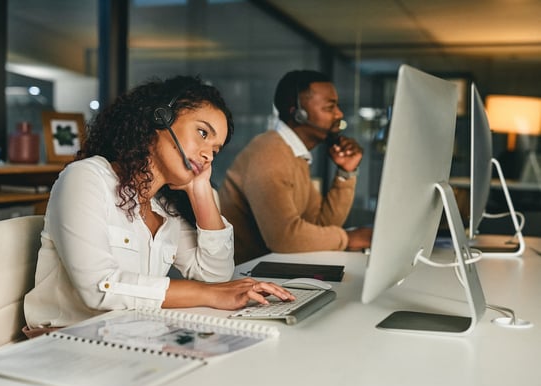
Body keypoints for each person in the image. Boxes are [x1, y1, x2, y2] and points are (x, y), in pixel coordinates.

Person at [24, 76, 294, 334]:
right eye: (202, 133)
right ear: (160, 118)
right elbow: (99, 287)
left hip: (130, 336)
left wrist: (201, 192)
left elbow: (216, 277)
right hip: (67, 342)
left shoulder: (165, 205)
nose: (207, 154)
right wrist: (205, 294)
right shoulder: (86, 178)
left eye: (215, 150)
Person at [219, 70, 372, 264]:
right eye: (329, 107)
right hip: (239, 277)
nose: (339, 114)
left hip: (269, 272)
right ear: (298, 114)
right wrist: (349, 238)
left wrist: (346, 173)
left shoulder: (294, 155)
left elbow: (322, 225)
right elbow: (284, 239)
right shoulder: (270, 154)